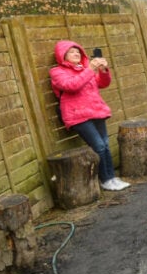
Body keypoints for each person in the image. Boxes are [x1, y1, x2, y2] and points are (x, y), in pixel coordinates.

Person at [50, 41, 130, 191]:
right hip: (76, 115)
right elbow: (71, 86)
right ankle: (105, 180)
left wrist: (103, 70)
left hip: (95, 111)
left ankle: (112, 178)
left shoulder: (84, 68)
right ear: (63, 56)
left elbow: (103, 83)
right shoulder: (57, 72)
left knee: (105, 144)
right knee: (98, 146)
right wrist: (90, 69)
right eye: (72, 52)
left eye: (78, 52)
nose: (76, 54)